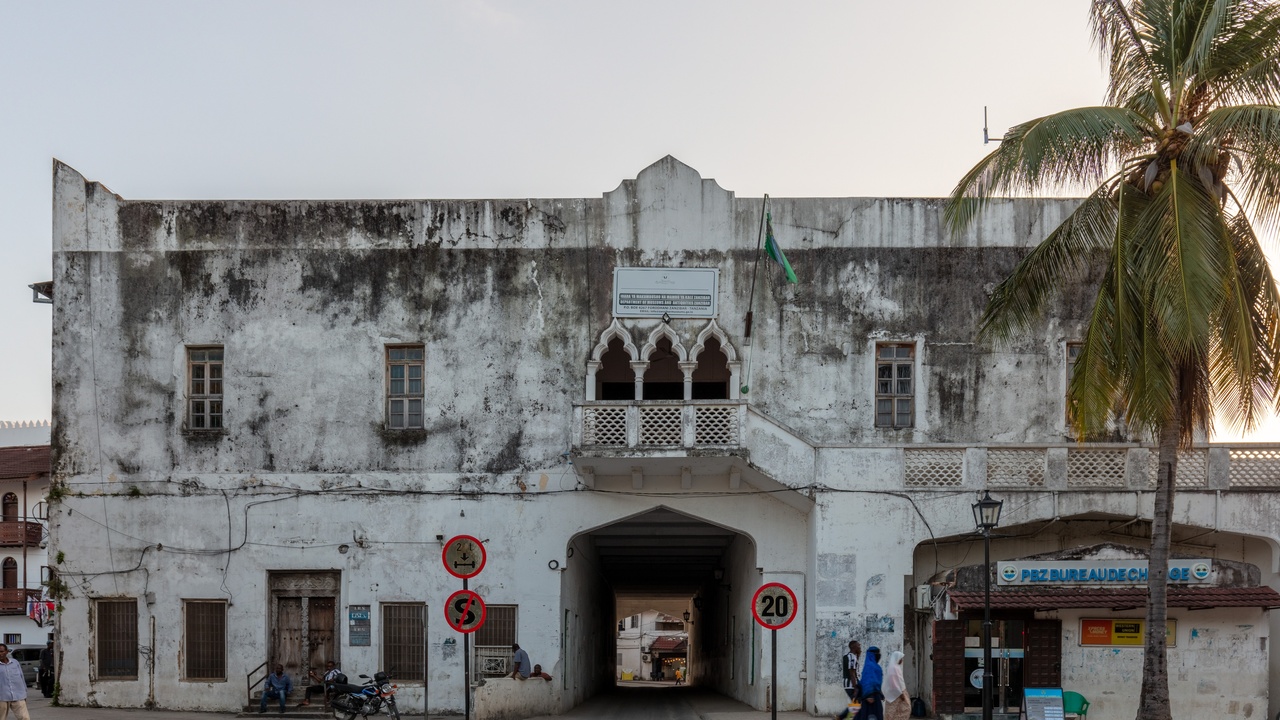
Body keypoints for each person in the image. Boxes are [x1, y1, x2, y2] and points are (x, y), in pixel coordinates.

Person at [833, 640, 861, 720]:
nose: (860, 647)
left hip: (850, 684)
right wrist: (855, 688)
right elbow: (852, 673)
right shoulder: (852, 657)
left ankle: (841, 717)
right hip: (851, 685)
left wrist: (858, 655)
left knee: (856, 703)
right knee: (856, 703)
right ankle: (840, 717)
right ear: (853, 647)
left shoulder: (850, 656)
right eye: (858, 646)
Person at [0, 644, 28, 720]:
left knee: (24, 718)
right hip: (2, 697)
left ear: (6, 652)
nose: (0, 653)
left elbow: (21, 677)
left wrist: (25, 693)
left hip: (18, 695)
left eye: (2, 651)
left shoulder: (15, 663)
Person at [857, 646, 885, 720]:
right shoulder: (870, 666)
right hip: (870, 696)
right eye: (877, 653)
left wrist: (880, 692)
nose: (879, 655)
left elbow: (876, 681)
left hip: (875, 694)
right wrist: (870, 695)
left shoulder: (873, 665)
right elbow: (868, 681)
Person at [883, 651, 910, 720]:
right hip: (896, 693)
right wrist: (900, 694)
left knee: (901, 710)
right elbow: (894, 683)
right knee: (894, 711)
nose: (901, 660)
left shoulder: (896, 667)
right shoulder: (893, 668)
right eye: (901, 658)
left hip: (899, 692)